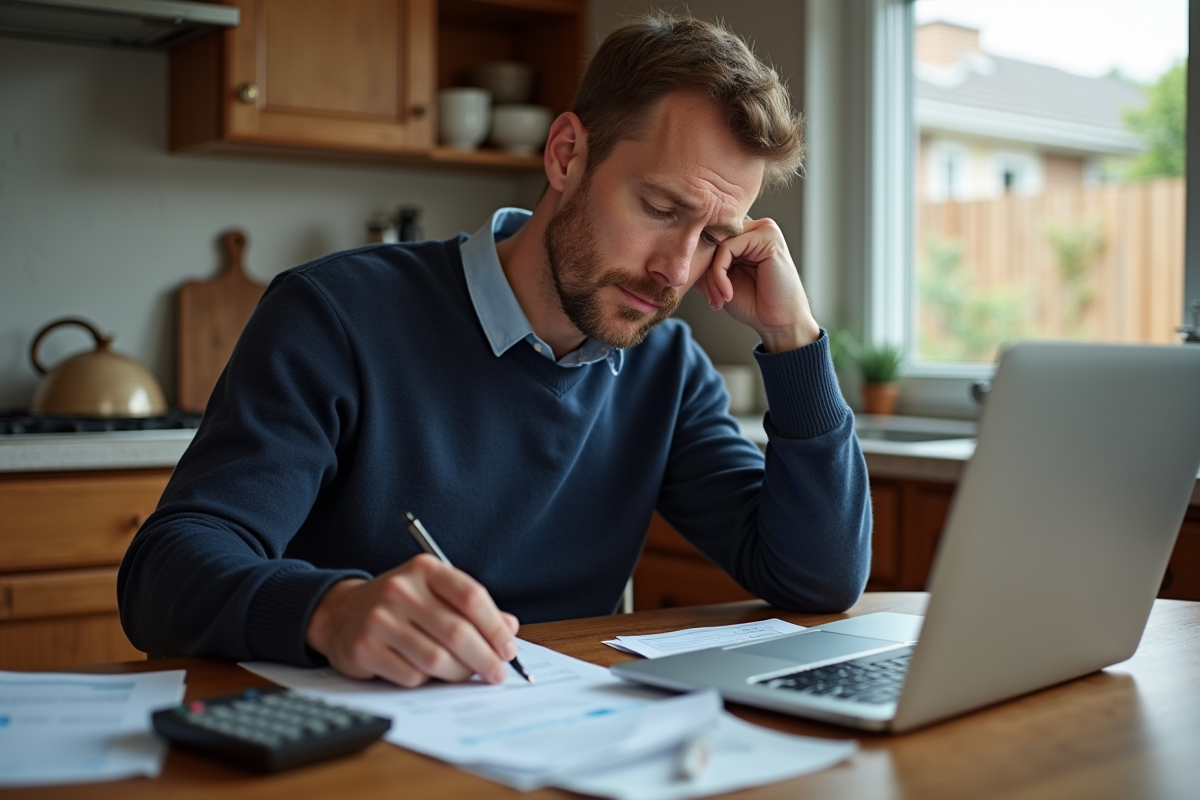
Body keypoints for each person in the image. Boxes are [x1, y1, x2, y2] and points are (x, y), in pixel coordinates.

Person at [118, 11, 871, 689]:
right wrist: (331, 610)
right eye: (659, 208)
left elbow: (819, 579)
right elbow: (165, 572)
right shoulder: (336, 315)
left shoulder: (667, 372)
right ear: (568, 155)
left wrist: (794, 342)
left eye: (711, 236)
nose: (676, 270)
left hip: (558, 743)